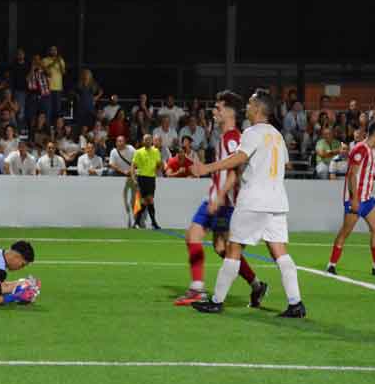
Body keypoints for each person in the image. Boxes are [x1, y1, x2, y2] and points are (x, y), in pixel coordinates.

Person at [190, 89, 305, 318]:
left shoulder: (252, 132)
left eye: (251, 104)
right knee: (280, 252)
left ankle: (216, 301)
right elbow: (285, 164)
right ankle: (296, 303)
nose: (247, 108)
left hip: (254, 200)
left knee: (232, 249)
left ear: (259, 109)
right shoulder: (277, 135)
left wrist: (207, 168)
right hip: (277, 200)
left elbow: (239, 158)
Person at [175, 92, 267, 307]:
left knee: (222, 248)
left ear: (228, 112)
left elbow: (235, 172)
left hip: (225, 202)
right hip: (215, 198)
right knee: (197, 237)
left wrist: (220, 195)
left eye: (217, 108)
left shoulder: (233, 138)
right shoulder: (224, 137)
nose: (214, 112)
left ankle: (253, 285)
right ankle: (199, 287)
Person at [326, 122, 375, 276]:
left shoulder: (374, 150)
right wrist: (355, 200)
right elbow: (352, 174)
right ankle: (331, 265)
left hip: (366, 198)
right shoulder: (360, 149)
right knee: (345, 232)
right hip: (355, 198)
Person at [130, 134, 162, 230]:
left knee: (148, 200)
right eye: (145, 140)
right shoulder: (138, 152)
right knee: (144, 201)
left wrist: (157, 170)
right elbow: (133, 166)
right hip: (141, 178)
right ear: (143, 141)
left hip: (151, 178)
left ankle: (138, 223)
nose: (147, 141)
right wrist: (133, 178)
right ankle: (152, 222)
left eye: (149, 139)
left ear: (151, 141)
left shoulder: (156, 151)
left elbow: (159, 164)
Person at [42, 46, 66, 121]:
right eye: (52, 50)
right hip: (47, 88)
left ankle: (57, 127)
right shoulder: (45, 60)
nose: (53, 51)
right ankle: (48, 126)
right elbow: (46, 71)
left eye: (55, 50)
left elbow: (63, 72)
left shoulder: (61, 60)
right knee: (48, 109)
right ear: (49, 51)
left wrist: (59, 63)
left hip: (58, 88)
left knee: (57, 109)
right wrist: (55, 62)